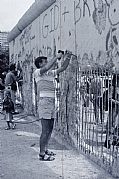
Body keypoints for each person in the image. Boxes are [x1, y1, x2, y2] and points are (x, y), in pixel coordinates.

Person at [34, 50, 72, 161]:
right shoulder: (37, 72)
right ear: (40, 64)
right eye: (45, 62)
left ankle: (45, 149)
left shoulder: (50, 73)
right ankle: (41, 154)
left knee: (50, 129)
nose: (47, 63)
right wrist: (56, 57)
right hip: (44, 102)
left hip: (51, 102)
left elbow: (63, 68)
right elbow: (46, 68)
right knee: (45, 130)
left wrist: (68, 57)